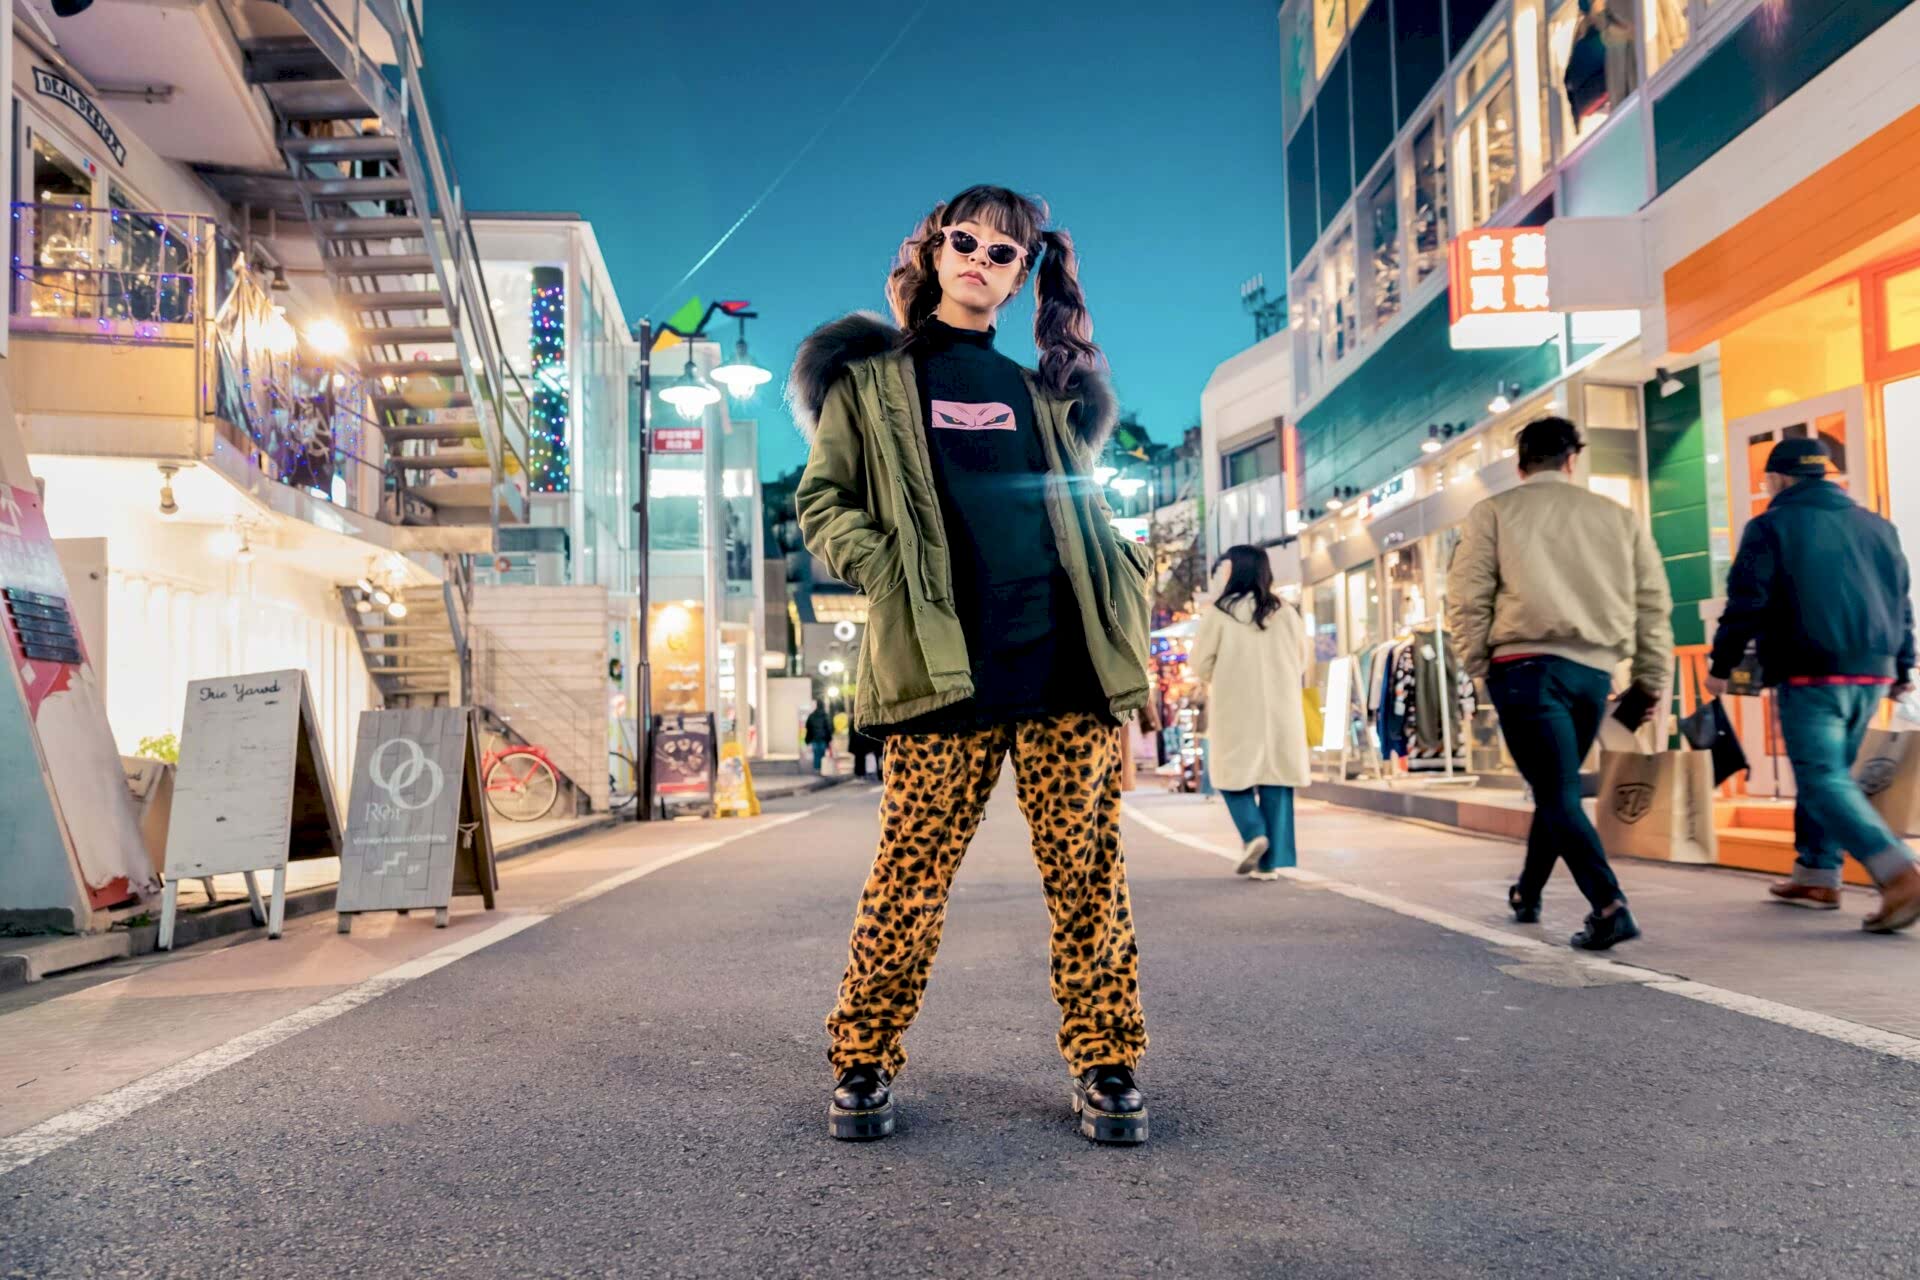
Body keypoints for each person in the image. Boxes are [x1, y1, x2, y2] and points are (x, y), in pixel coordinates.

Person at [791, 184, 1154, 1145]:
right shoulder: (871, 384)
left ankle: (1108, 1061)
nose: (979, 262)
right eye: (966, 242)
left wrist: (1123, 668)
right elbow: (822, 501)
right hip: (940, 672)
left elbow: (1078, 520)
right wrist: (883, 567)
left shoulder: (1040, 396)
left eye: (1004, 254)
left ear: (1022, 274)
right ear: (933, 249)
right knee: (910, 877)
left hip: (1062, 667)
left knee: (1088, 874)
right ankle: (863, 1059)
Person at [1446, 415, 1672, 951]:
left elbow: (1467, 596)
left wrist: (1478, 664)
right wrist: (1649, 677)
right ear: (1572, 460)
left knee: (1555, 789)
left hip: (1523, 667)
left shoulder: (1494, 512)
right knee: (1558, 785)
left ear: (1520, 464)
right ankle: (1527, 892)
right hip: (1593, 672)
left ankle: (1610, 904)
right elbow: (1653, 602)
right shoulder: (1618, 517)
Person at [1705, 438, 1920, 933]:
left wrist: (1722, 665)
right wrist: (1903, 668)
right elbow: (1901, 603)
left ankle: (1898, 871)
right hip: (1873, 669)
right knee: (1830, 774)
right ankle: (1817, 874)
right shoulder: (1877, 526)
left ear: (1778, 480)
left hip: (1812, 668)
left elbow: (1746, 602)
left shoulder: (1771, 526)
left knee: (1821, 776)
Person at [1190, 546, 1311, 880]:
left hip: (1234, 706)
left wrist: (1220, 673)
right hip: (1281, 708)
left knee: (1229, 775)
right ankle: (1269, 863)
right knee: (1276, 778)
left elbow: (1200, 664)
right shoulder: (1285, 611)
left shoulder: (1219, 613)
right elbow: (1301, 659)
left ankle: (1253, 831)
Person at [804, 700, 832, 774]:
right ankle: (821, 770)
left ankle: (817, 769)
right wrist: (829, 739)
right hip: (823, 739)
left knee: (816, 754)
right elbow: (828, 728)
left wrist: (807, 739)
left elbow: (808, 727)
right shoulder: (825, 715)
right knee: (822, 754)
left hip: (814, 739)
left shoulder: (812, 715)